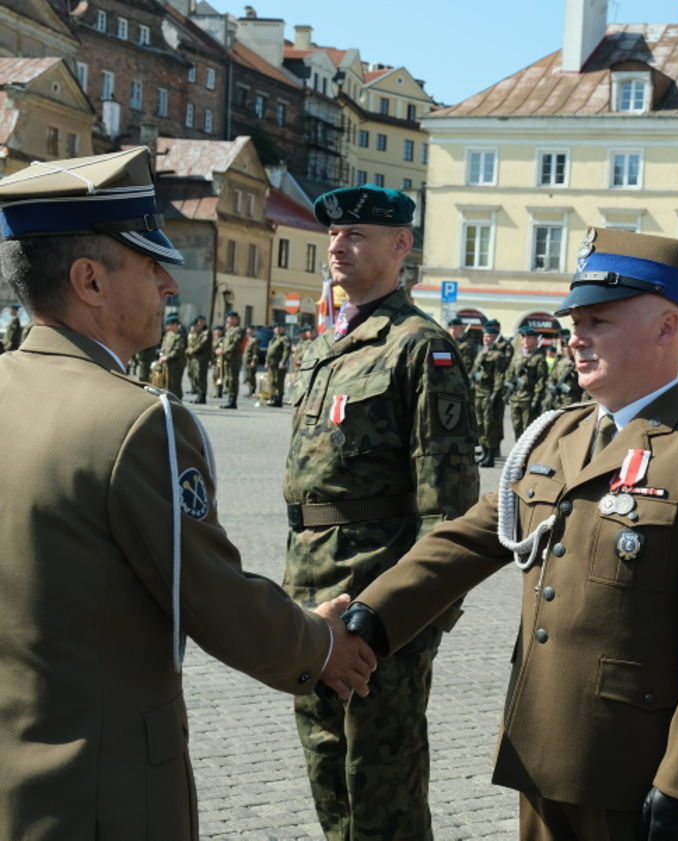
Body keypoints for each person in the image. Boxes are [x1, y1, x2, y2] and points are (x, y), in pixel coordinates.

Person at [339, 226, 678, 841]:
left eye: (598, 320)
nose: (575, 337)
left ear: (667, 328)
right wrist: (373, 614)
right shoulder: (556, 435)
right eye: (574, 320)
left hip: (636, 766)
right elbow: (470, 538)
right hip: (542, 746)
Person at [0, 147, 376, 840]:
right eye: (149, 263)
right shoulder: (139, 422)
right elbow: (216, 598)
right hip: (99, 793)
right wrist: (321, 645)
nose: (169, 284)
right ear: (89, 280)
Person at [283, 184, 480, 841]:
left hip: (377, 604)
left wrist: (414, 615)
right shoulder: (323, 347)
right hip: (310, 594)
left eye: (357, 234)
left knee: (381, 794)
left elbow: (448, 504)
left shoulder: (421, 346)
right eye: (334, 235)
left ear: (401, 247)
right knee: (328, 774)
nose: (339, 245)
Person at [472, 318, 513, 466]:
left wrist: (495, 394)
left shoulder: (498, 354)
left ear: (494, 337)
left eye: (488, 336)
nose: (485, 338)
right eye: (484, 336)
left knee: (490, 424)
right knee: (480, 423)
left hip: (489, 392)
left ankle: (490, 454)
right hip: (478, 392)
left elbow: (499, 375)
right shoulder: (480, 353)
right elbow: (474, 371)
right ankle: (484, 452)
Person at [506, 326, 549, 436]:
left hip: (529, 398)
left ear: (535, 340)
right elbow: (509, 373)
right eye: (523, 337)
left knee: (528, 429)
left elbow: (541, 380)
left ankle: (528, 453)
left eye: (529, 338)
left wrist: (536, 399)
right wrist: (508, 388)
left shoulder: (539, 358)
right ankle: (518, 450)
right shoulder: (517, 355)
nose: (525, 340)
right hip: (515, 397)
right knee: (516, 427)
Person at [215, 312, 244, 409]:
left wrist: (224, 351)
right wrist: (220, 349)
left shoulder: (238, 330)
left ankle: (232, 401)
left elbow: (235, 343)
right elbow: (225, 342)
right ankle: (229, 398)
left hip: (234, 358)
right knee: (228, 379)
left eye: (231, 318)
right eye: (228, 318)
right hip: (227, 358)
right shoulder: (228, 330)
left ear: (236, 319)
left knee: (233, 379)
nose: (229, 320)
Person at [158, 314, 187, 399]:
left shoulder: (180, 335)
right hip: (167, 362)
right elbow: (164, 346)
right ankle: (170, 400)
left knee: (175, 384)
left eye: (169, 325)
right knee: (168, 383)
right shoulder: (169, 334)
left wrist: (167, 356)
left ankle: (178, 401)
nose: (168, 327)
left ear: (175, 324)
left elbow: (178, 349)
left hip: (177, 363)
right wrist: (162, 355)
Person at [186, 315, 212, 403]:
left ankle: (202, 396)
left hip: (202, 357)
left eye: (201, 321)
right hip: (196, 357)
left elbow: (202, 344)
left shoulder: (206, 332)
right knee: (196, 376)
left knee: (201, 376)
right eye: (198, 322)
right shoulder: (197, 331)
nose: (200, 323)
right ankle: (199, 394)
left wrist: (193, 350)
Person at [265, 323, 291, 407]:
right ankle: (273, 397)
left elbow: (286, 351)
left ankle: (278, 399)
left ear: (283, 329)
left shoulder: (285, 338)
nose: (278, 329)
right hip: (272, 364)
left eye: (280, 328)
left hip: (279, 364)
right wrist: (267, 362)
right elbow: (269, 352)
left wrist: (283, 362)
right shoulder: (274, 339)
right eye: (276, 328)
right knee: (272, 381)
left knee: (278, 381)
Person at [242, 325, 260, 397]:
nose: (248, 331)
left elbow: (255, 352)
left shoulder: (254, 340)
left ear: (253, 331)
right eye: (247, 329)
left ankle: (252, 390)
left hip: (250, 361)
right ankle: (250, 389)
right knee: (247, 376)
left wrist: (253, 361)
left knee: (251, 376)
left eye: (250, 330)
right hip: (246, 360)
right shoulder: (248, 339)